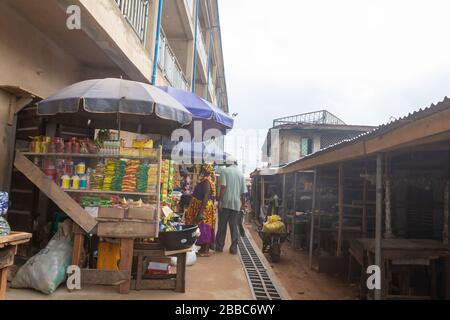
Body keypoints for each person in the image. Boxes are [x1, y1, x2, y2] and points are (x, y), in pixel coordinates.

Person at [215, 160, 247, 254]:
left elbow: (223, 186)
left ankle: (219, 246)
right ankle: (233, 248)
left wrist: (220, 201)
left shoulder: (225, 171)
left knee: (222, 226)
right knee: (234, 227)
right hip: (236, 204)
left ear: (228, 163)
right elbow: (243, 193)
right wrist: (243, 205)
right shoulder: (241, 174)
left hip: (225, 203)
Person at [184, 164, 216, 257]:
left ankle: (205, 249)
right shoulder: (205, 180)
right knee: (201, 226)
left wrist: (200, 212)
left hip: (204, 208)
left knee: (204, 227)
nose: (200, 170)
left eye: (202, 169)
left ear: (205, 170)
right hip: (201, 206)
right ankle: (203, 248)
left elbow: (206, 196)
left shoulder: (206, 181)